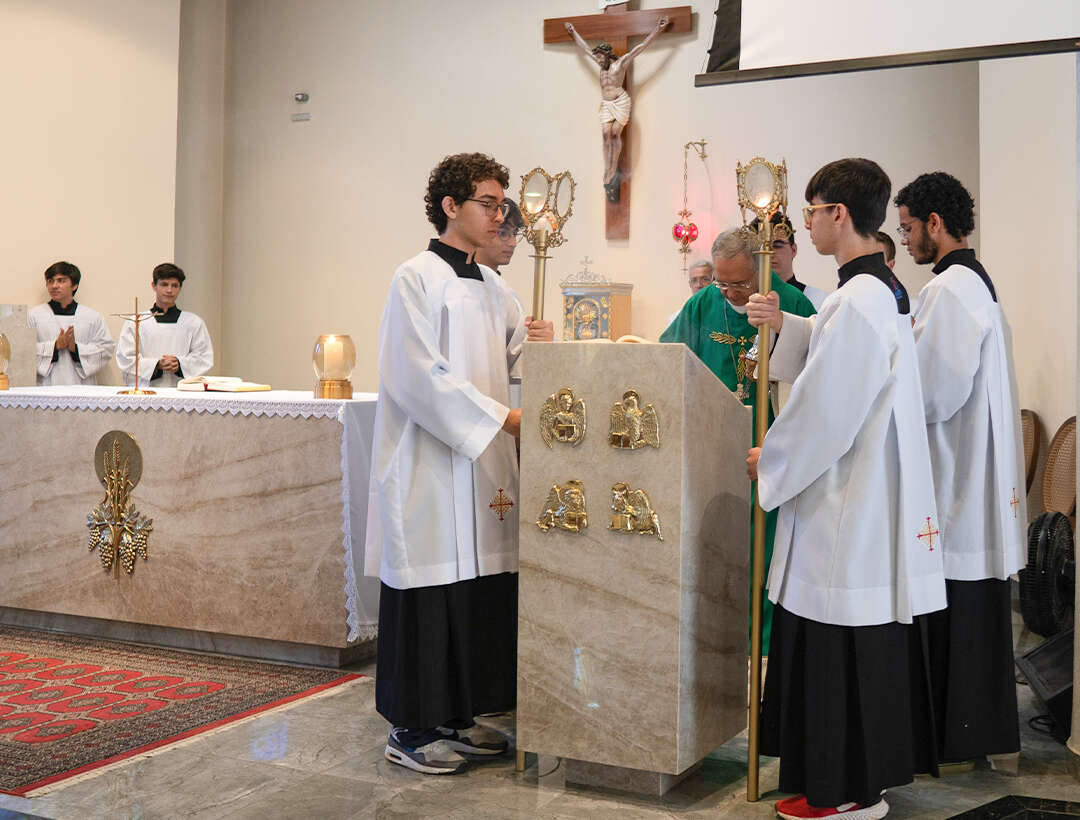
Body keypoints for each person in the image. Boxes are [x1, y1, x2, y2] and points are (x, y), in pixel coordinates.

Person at [745, 158, 946, 820]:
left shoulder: (860, 300)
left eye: (810, 210)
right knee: (844, 646)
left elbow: (830, 410)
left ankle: (851, 794)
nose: (805, 222)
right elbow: (842, 358)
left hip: (849, 505)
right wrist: (790, 328)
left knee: (841, 650)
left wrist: (770, 458)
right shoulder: (872, 291)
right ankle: (844, 783)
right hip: (862, 498)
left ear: (838, 215)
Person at [365, 152, 554, 776]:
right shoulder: (413, 278)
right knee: (431, 590)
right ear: (452, 207)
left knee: (475, 592)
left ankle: (458, 716)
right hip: (429, 466)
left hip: (485, 468)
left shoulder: (495, 286)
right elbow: (417, 376)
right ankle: (412, 729)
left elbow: (516, 363)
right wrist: (504, 419)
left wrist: (549, 353)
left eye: (502, 205)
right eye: (490, 203)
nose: (500, 215)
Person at [896, 171, 1025, 766]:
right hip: (976, 477)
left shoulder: (949, 288)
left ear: (936, 224)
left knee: (960, 619)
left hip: (958, 480)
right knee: (977, 619)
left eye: (909, 229)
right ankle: (980, 736)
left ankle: (959, 738)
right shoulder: (975, 281)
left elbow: (935, 392)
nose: (907, 241)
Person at [660, 228, 815, 655]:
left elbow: (810, 383)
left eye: (740, 284)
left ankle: (764, 648)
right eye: (721, 282)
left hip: (766, 445)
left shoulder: (793, 304)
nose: (729, 293)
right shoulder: (704, 303)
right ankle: (715, 643)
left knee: (764, 550)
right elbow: (670, 357)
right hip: (712, 441)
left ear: (763, 269)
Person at [564, 16, 669, 201]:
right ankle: (608, 169)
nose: (597, 58)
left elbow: (640, 47)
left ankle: (612, 172)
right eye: (596, 56)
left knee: (614, 134)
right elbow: (585, 49)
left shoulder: (620, 64)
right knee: (605, 134)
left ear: (606, 55)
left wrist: (657, 30)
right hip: (606, 104)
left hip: (620, 101)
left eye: (599, 55)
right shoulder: (600, 65)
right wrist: (573, 32)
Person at [115, 263, 213, 388]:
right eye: (164, 284)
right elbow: (125, 358)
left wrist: (179, 364)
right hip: (147, 391)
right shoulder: (136, 322)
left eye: (174, 285)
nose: (169, 290)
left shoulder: (193, 322)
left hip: (182, 391)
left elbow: (204, 358)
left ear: (180, 288)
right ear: (154, 286)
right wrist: (156, 365)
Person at [28, 261, 114, 385]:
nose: (54, 286)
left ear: (74, 285)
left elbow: (106, 349)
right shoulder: (33, 315)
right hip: (46, 386)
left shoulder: (92, 317)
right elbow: (23, 352)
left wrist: (76, 349)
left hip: (82, 387)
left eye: (61, 280)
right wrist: (55, 347)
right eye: (50, 281)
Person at [749, 213, 828, 309]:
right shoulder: (742, 302)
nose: (768, 254)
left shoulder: (820, 301)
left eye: (777, 246)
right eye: (760, 248)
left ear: (793, 250)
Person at [662, 259, 713, 332]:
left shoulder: (724, 314)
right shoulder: (677, 318)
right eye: (694, 280)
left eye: (705, 279)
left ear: (715, 282)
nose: (698, 285)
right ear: (690, 285)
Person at [474, 200, 525, 273]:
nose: (513, 244)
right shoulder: (457, 280)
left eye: (515, 233)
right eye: (503, 233)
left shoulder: (498, 282)